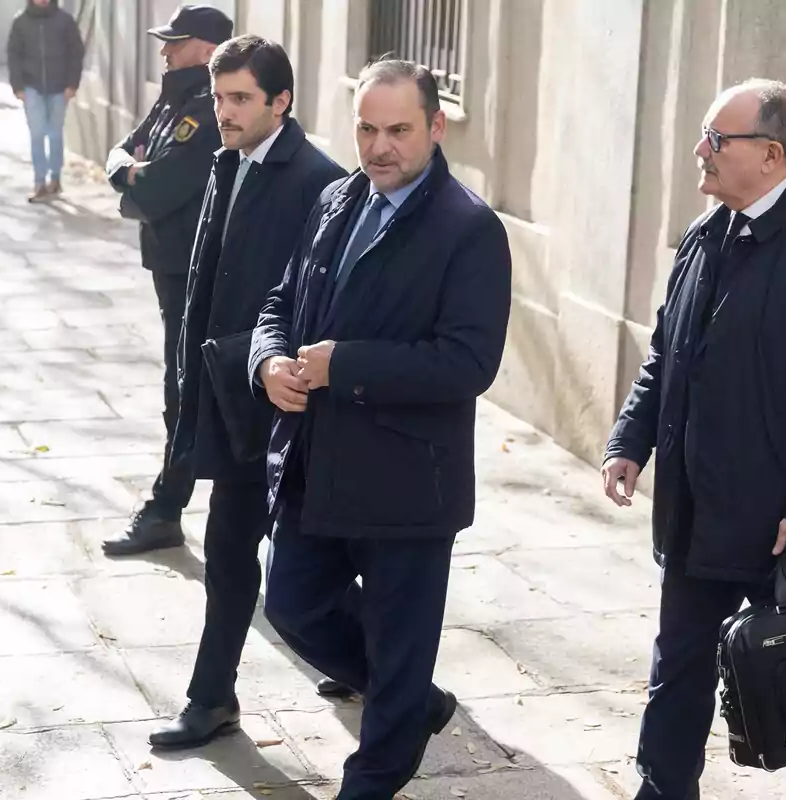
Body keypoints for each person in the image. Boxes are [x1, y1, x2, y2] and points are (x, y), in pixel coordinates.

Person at [601, 79, 786, 800]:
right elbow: (668, 354)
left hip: (785, 520)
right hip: (700, 508)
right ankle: (663, 788)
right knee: (680, 665)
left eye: (716, 140)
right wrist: (630, 439)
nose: (700, 150)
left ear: (769, 154)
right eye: (704, 134)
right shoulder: (706, 234)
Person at [248, 57, 513, 800]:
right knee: (292, 603)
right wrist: (268, 362)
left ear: (435, 126)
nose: (379, 146)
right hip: (316, 464)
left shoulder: (470, 228)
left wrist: (347, 366)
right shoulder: (336, 198)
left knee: (399, 647)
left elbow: (468, 362)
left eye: (398, 130)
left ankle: (374, 774)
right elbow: (280, 301)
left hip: (408, 483)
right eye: (367, 128)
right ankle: (413, 703)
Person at [145, 35, 347, 749]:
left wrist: (279, 369)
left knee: (303, 559)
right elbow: (208, 278)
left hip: (283, 406)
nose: (224, 112)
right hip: (227, 395)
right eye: (220, 97)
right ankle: (215, 697)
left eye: (239, 99)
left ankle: (397, 683)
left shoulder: (319, 182)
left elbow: (320, 302)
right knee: (231, 553)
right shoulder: (226, 158)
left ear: (280, 102)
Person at [101, 4, 232, 557]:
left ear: (204, 50)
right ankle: (170, 506)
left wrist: (131, 178)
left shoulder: (204, 112)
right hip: (167, 261)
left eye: (175, 43)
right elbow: (122, 150)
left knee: (186, 388)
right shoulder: (174, 97)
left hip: (193, 267)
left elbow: (154, 189)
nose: (164, 51)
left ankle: (167, 507)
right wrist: (128, 171)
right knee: (181, 384)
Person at [6, 0, 84, 202]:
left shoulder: (65, 21)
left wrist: (72, 84)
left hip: (59, 88)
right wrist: (18, 86)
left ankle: (55, 180)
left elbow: (76, 53)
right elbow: (13, 55)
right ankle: (39, 183)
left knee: (55, 134)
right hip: (32, 88)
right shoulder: (21, 22)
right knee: (37, 134)